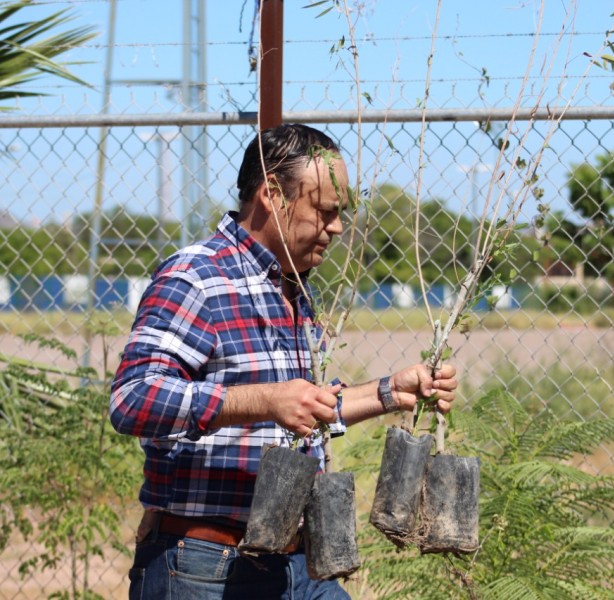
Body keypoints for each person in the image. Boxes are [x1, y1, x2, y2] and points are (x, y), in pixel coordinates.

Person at [109, 123, 458, 599]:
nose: (336, 227)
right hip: (205, 566)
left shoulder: (292, 288)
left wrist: (389, 392)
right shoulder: (197, 278)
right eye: (324, 211)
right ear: (272, 194)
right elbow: (133, 400)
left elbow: (303, 407)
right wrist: (265, 400)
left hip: (297, 563)